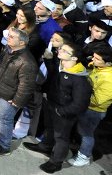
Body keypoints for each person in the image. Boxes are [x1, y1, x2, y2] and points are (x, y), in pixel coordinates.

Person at [23, 41, 92, 172]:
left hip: (64, 113)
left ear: (74, 58)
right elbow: (53, 74)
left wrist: (62, 111)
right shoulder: (61, 66)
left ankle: (56, 162)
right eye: (61, 49)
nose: (60, 51)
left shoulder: (80, 80)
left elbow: (80, 104)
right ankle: (45, 146)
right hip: (51, 104)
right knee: (49, 129)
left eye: (65, 51)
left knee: (61, 137)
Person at [0, 27, 38, 156]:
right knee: (2, 118)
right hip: (2, 90)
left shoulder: (27, 61)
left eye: (12, 36)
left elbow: (26, 86)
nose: (8, 37)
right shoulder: (9, 51)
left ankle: (4, 146)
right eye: (9, 35)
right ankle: (2, 134)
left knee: (5, 119)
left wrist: (16, 101)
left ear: (22, 43)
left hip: (10, 97)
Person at [70, 45, 112, 167]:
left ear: (108, 63)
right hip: (87, 107)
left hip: (94, 111)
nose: (93, 60)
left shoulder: (109, 78)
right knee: (82, 132)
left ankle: (84, 156)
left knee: (87, 134)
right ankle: (80, 150)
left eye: (97, 59)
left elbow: (100, 100)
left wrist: (80, 97)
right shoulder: (98, 68)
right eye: (94, 57)